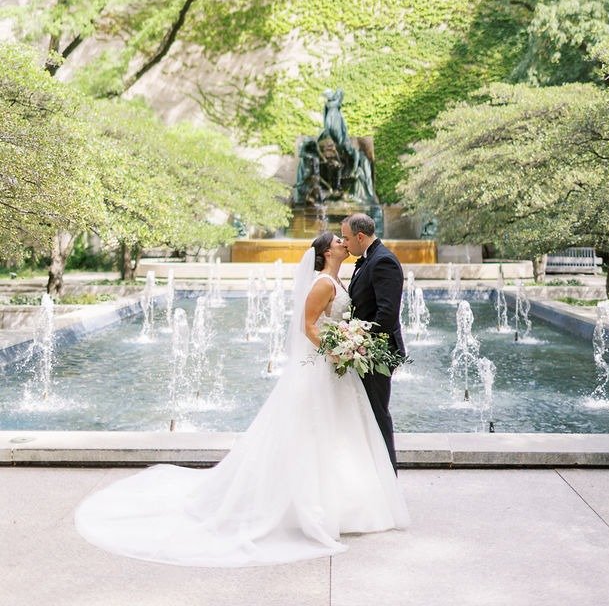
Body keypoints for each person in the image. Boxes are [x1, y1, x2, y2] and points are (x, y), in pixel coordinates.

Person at [74, 232, 408, 568]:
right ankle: (303, 504)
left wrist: (347, 343)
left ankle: (345, 502)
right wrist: (335, 350)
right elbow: (308, 324)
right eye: (338, 240)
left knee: (339, 434)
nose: (343, 243)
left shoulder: (338, 280)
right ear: (325, 251)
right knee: (312, 433)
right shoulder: (322, 283)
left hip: (335, 369)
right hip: (323, 366)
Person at [340, 213, 405, 471]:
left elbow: (386, 315)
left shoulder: (383, 261)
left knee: (378, 414)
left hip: (377, 354)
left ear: (360, 236)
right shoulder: (368, 259)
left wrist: (359, 343)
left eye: (346, 238)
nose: (344, 244)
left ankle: (389, 475)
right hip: (364, 351)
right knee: (367, 414)